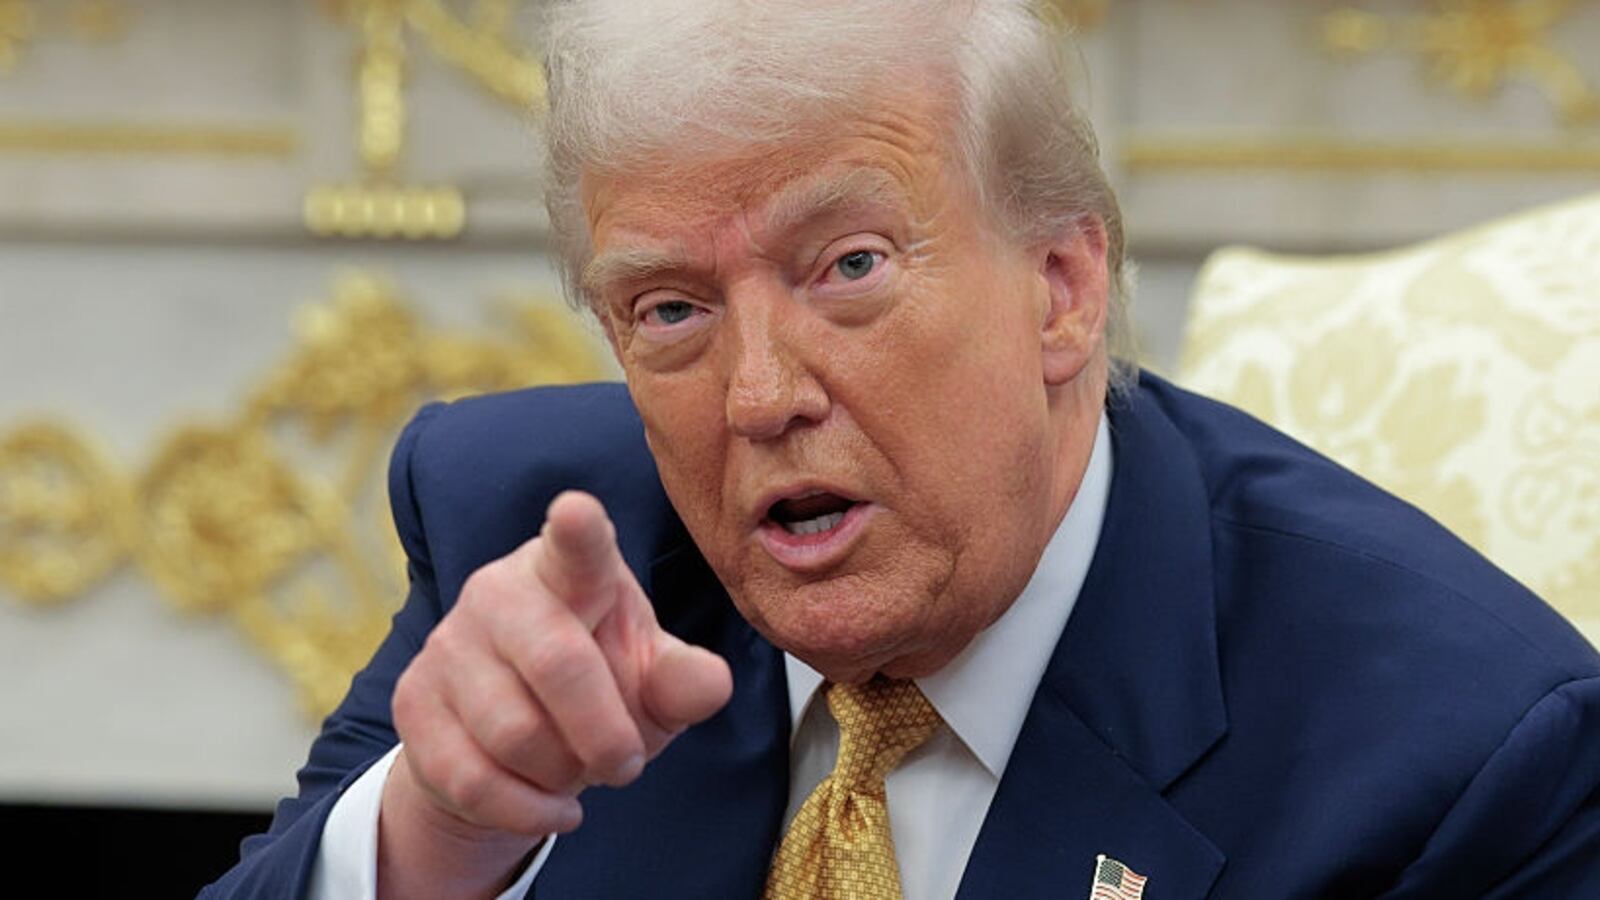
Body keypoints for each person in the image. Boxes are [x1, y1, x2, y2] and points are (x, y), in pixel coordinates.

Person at [204, 1, 1600, 897]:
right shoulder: (537, 537)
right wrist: (437, 837)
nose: (758, 397)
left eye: (849, 266)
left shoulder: (1462, 762)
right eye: (671, 309)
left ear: (1060, 288)